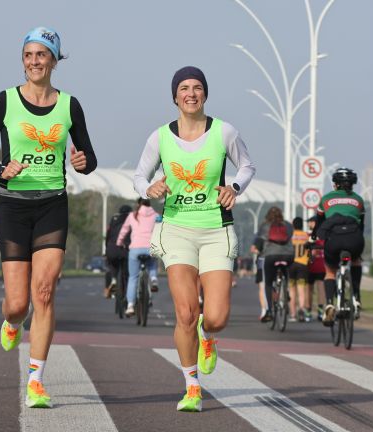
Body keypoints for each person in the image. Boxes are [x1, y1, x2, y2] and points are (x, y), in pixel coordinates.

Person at [0, 26, 97, 409]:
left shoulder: (69, 105)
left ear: (54, 60)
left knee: (45, 292)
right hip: (12, 206)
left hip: (52, 205)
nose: (34, 62)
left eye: (42, 55)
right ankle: (11, 322)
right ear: (23, 60)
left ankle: (36, 380)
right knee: (17, 303)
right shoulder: (5, 101)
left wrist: (82, 161)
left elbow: (89, 159)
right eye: (28, 55)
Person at [134, 66, 255, 412]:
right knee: (185, 313)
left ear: (205, 94)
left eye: (197, 87)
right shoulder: (159, 137)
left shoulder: (224, 132)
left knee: (214, 316)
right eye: (184, 88)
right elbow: (139, 175)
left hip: (216, 230)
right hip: (176, 229)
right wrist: (149, 188)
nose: (190, 93)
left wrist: (234, 188)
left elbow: (247, 167)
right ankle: (191, 387)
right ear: (175, 96)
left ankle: (209, 335)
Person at [310, 168, 365, 326]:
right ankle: (356, 297)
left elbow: (319, 222)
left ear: (335, 184)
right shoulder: (359, 200)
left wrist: (314, 236)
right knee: (356, 261)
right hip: (355, 239)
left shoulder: (326, 199)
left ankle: (328, 303)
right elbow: (362, 225)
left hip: (334, 240)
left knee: (330, 271)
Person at [116, 198, 159, 316]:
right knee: (153, 263)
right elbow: (161, 230)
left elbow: (124, 230)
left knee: (133, 277)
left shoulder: (132, 215)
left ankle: (130, 306)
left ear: (138, 204)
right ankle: (154, 279)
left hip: (135, 249)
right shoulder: (156, 215)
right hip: (151, 248)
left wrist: (119, 243)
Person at [256, 207, 294, 323]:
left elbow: (260, 242)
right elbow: (290, 236)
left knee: (268, 283)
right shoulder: (287, 225)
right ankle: (285, 288)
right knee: (285, 269)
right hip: (288, 255)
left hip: (271, 256)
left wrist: (261, 250)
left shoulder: (265, 225)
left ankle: (269, 311)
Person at [104, 205, 132, 298]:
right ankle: (128, 293)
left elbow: (108, 236)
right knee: (127, 271)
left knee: (111, 264)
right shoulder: (133, 219)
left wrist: (106, 249)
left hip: (112, 249)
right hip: (126, 250)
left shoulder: (114, 219)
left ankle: (113, 279)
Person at [288, 217, 310, 322]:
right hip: (303, 265)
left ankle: (292, 314)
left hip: (291, 264)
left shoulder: (290, 236)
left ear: (293, 225)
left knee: (292, 290)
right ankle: (301, 309)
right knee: (301, 290)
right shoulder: (306, 235)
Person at [306, 215, 326, 321]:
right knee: (321, 288)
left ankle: (308, 311)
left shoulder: (309, 235)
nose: (308, 224)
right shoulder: (324, 236)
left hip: (310, 266)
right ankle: (320, 311)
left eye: (310, 222)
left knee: (309, 289)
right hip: (322, 265)